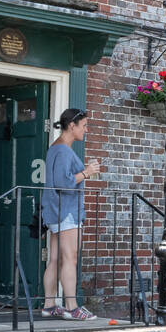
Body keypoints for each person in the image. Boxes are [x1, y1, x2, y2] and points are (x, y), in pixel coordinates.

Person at [41, 108, 101, 320]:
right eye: (84, 125)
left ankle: (49, 305)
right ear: (72, 126)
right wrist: (87, 172)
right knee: (70, 258)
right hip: (66, 212)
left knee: (55, 258)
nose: (86, 129)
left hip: (56, 210)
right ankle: (72, 307)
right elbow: (63, 183)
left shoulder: (55, 148)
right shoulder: (64, 150)